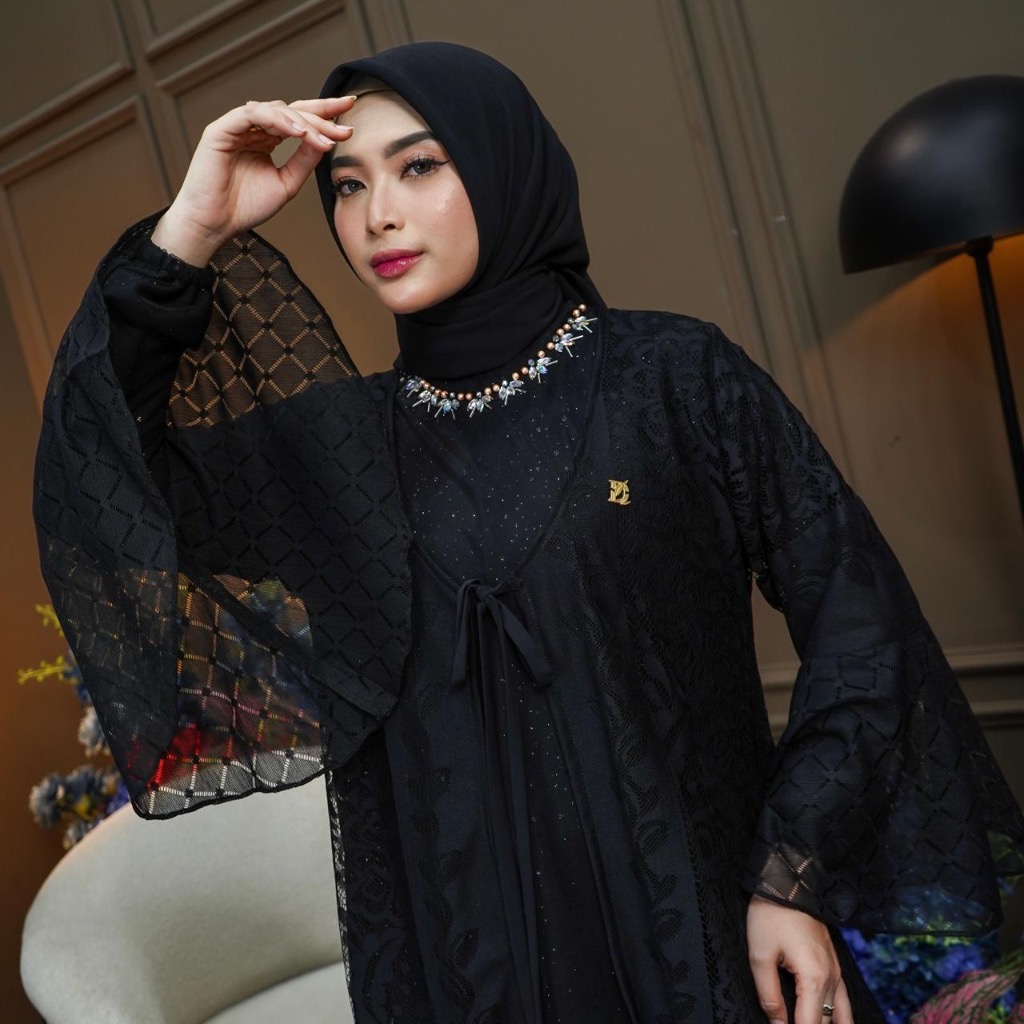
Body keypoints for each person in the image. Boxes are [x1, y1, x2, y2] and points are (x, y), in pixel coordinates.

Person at [33, 41, 1024, 1024]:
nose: (377, 214)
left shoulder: (674, 381)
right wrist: (193, 228)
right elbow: (108, 487)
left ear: (504, 166)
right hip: (464, 978)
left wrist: (790, 875)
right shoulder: (339, 456)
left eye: (420, 166)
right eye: (347, 184)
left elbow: (862, 630)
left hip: (703, 951)